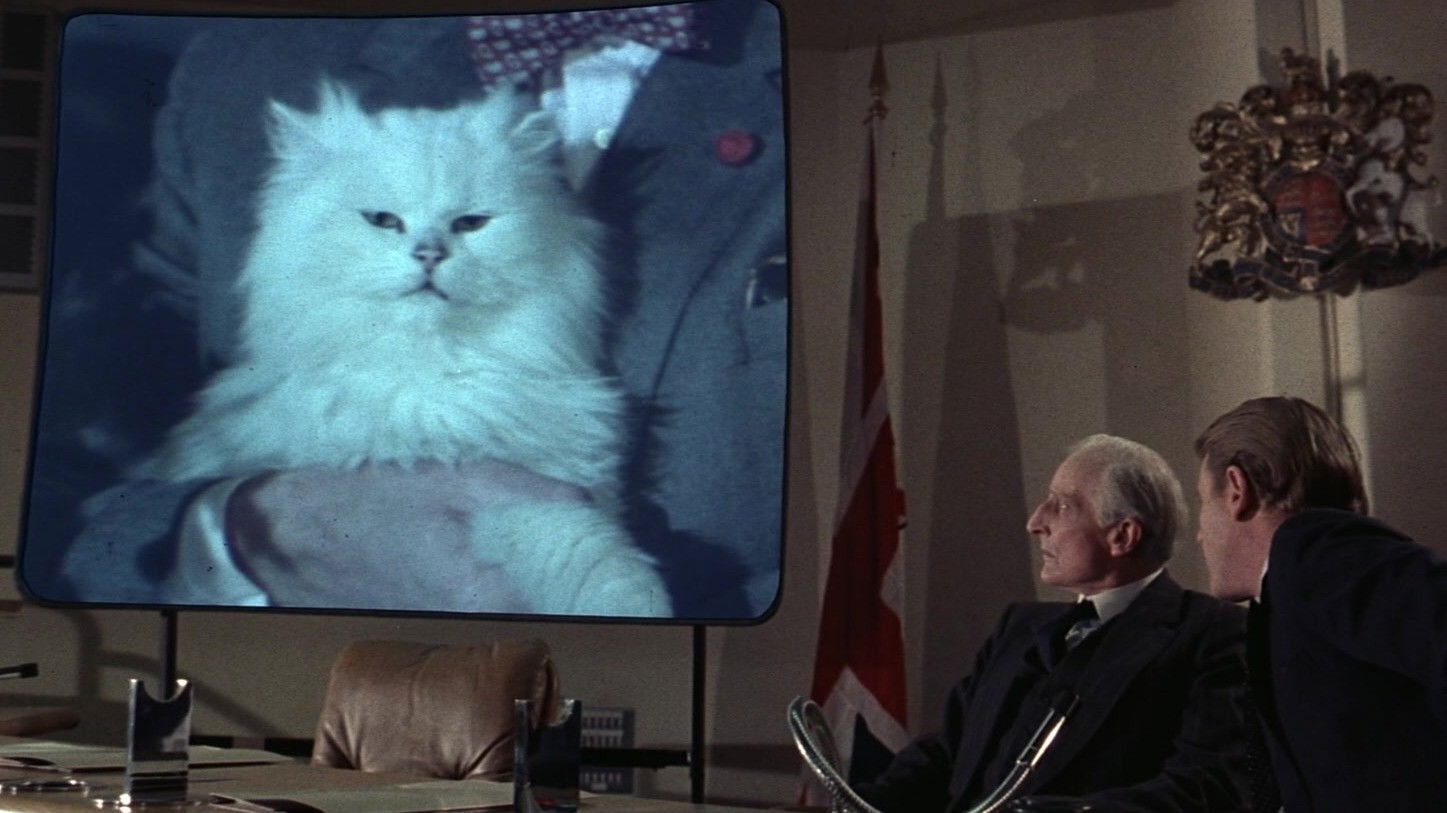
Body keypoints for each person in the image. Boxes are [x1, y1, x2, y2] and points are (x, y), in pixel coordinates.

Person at [28, 0, 786, 620]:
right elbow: (66, 448)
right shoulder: (246, 65)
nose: (425, 253)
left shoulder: (833, 72)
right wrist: (231, 539)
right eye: (388, 225)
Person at [856, 434, 1255, 813]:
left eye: (1061, 506)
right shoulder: (1018, 627)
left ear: (1123, 536)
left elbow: (1206, 786)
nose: (1035, 522)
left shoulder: (1212, 634)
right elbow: (948, 752)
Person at [1194, 396, 1447, 811]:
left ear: (1237, 490)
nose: (1201, 534)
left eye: (1204, 500)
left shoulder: (1313, 552)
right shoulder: (1287, 585)